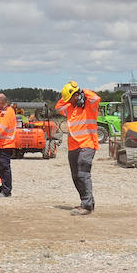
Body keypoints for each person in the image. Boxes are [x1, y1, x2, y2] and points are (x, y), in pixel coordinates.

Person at [55, 81, 101, 216]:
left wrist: (82, 92)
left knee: (83, 174)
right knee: (76, 176)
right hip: (73, 146)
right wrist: (69, 97)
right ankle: (87, 202)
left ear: (78, 95)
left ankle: (86, 206)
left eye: (72, 98)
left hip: (87, 144)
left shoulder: (89, 105)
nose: (70, 102)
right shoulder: (70, 107)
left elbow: (96, 98)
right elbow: (58, 106)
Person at [0, 93, 17, 197]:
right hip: (3, 144)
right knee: (2, 168)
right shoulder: (4, 112)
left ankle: (6, 191)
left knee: (4, 168)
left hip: (5, 144)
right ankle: (4, 189)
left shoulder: (6, 113)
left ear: (1, 103)